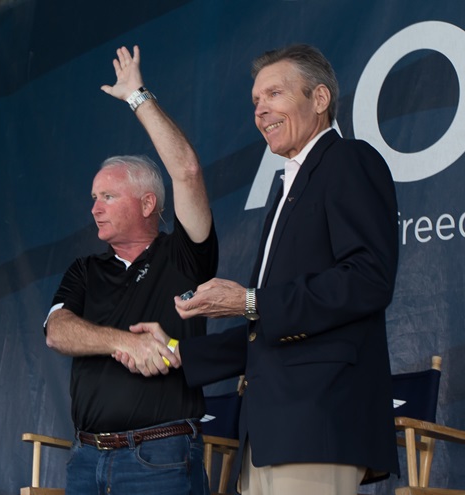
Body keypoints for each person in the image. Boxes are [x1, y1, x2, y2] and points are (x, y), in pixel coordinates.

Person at [122, 44, 400, 495]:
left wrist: (249, 301)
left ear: (320, 98)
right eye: (255, 101)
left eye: (274, 94)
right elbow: (266, 328)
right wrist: (176, 350)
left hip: (316, 424)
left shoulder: (349, 160)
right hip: (268, 434)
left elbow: (369, 279)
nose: (261, 109)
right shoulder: (287, 186)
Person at [44, 45, 217, 495]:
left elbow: (188, 171)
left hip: (158, 457)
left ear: (147, 204)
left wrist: (137, 97)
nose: (94, 208)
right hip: (85, 460)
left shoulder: (183, 255)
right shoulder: (84, 269)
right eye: (93, 198)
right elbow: (57, 331)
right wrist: (124, 342)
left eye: (108, 197)